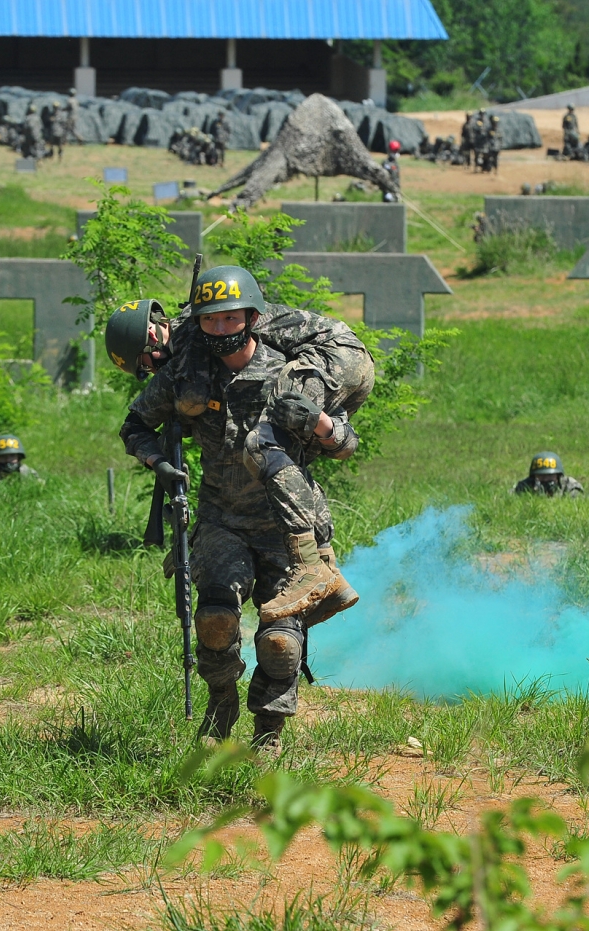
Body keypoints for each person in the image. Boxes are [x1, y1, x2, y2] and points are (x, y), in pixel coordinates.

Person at [118, 269, 371, 751]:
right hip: (221, 519)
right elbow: (135, 425)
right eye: (210, 321)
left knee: (279, 643)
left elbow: (345, 443)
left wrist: (318, 424)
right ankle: (220, 705)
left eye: (231, 319)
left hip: (286, 524)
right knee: (215, 619)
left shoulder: (291, 370)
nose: (220, 330)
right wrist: (158, 462)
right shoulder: (184, 373)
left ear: (253, 318)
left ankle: (268, 736)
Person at [512, 451, 584, 497]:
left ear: (557, 475)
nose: (546, 479)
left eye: (550, 476)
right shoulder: (525, 486)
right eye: (541, 476)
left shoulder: (570, 486)